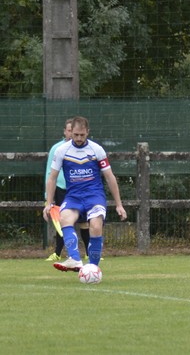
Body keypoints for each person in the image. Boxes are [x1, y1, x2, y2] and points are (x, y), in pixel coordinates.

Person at [43, 116, 127, 271]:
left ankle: (93, 268)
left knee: (95, 226)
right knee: (64, 218)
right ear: (70, 133)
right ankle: (74, 259)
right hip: (73, 196)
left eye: (82, 135)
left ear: (88, 132)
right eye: (75, 135)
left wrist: (119, 205)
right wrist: (48, 203)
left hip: (94, 196)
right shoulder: (62, 150)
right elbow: (52, 177)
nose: (79, 138)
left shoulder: (97, 150)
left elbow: (109, 177)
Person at [43, 119, 91, 261]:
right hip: (61, 190)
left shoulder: (87, 148)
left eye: (74, 131)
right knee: (63, 221)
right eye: (69, 131)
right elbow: (50, 173)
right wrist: (48, 196)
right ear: (65, 131)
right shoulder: (57, 149)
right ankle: (58, 253)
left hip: (79, 190)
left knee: (84, 221)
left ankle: (89, 253)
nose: (72, 134)